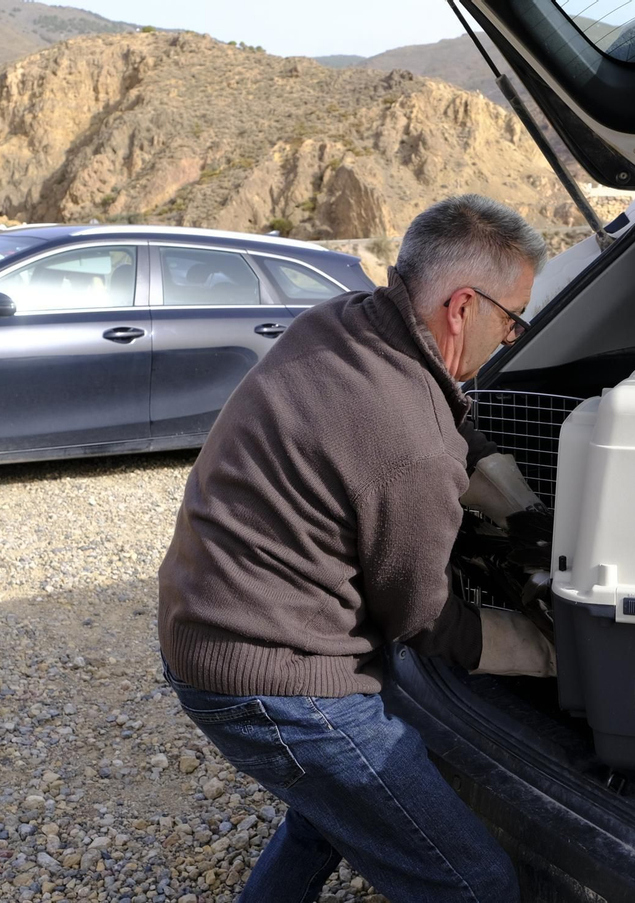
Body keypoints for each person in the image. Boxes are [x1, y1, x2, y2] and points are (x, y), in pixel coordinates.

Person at [157, 194, 557, 902]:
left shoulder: (343, 321)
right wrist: (541, 649)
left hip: (204, 626)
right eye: (513, 317)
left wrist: (512, 494)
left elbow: (440, 412)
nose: (513, 337)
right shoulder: (411, 445)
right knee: (475, 882)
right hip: (276, 681)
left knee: (331, 814)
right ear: (462, 307)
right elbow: (421, 618)